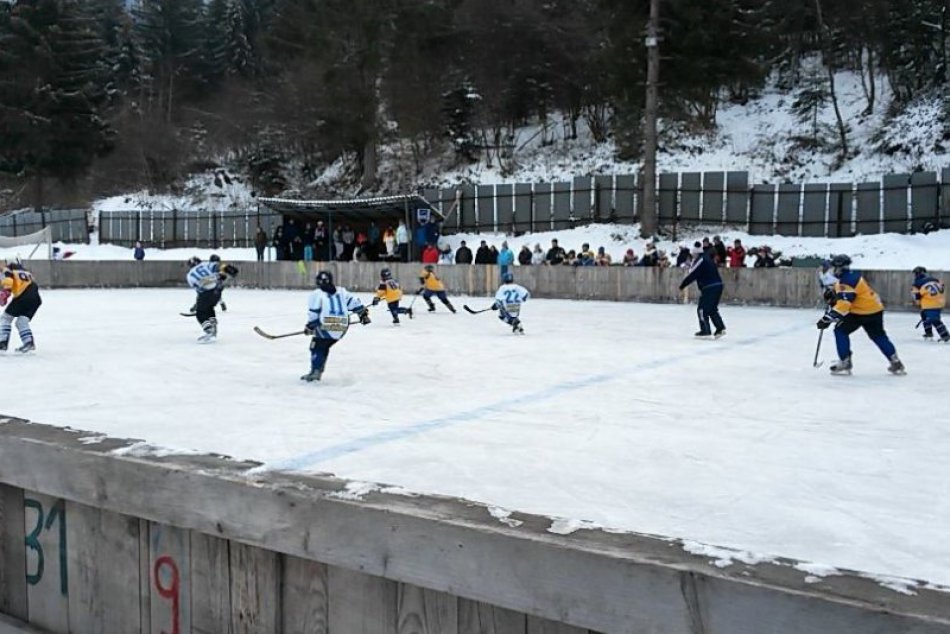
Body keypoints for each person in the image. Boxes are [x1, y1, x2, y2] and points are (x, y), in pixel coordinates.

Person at [817, 254, 904, 375]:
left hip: (860, 312)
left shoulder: (846, 281)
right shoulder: (852, 275)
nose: (832, 270)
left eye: (834, 268)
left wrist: (828, 318)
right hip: (875, 310)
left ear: (839, 268)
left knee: (840, 330)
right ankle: (895, 362)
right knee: (879, 336)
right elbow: (849, 293)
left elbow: (844, 304)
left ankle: (845, 361)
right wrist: (834, 293)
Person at [302, 271, 371, 382]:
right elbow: (355, 303)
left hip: (326, 326)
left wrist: (310, 326)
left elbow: (314, 314)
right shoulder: (341, 291)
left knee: (316, 346)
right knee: (324, 345)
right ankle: (318, 369)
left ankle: (316, 371)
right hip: (342, 326)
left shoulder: (317, 293)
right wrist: (363, 315)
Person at [186, 256, 238, 342]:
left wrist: (199, 303)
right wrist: (228, 268)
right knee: (210, 308)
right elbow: (218, 266)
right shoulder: (206, 264)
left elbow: (198, 289)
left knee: (201, 313)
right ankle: (213, 326)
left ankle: (209, 330)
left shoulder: (189, 275)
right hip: (217, 291)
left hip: (206, 292)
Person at [679, 242, 726, 338]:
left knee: (702, 309)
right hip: (717, 285)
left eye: (693, 254)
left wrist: (682, 285)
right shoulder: (707, 258)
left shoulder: (701, 260)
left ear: (696, 253)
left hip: (710, 287)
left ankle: (705, 331)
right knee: (712, 308)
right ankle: (720, 328)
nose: (692, 256)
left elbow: (692, 274)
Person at [0, 259, 42, 353]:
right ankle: (28, 342)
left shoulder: (8, 269)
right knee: (21, 321)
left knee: (5, 318)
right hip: (36, 299)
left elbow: (8, 280)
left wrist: (6, 291)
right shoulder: (26, 272)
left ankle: (2, 342)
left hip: (23, 296)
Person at [911, 266, 949, 341]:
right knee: (924, 316)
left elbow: (916, 295)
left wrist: (918, 303)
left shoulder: (917, 283)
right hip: (940, 302)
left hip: (930, 304)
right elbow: (942, 286)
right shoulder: (935, 280)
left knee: (934, 319)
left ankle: (945, 335)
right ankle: (928, 333)